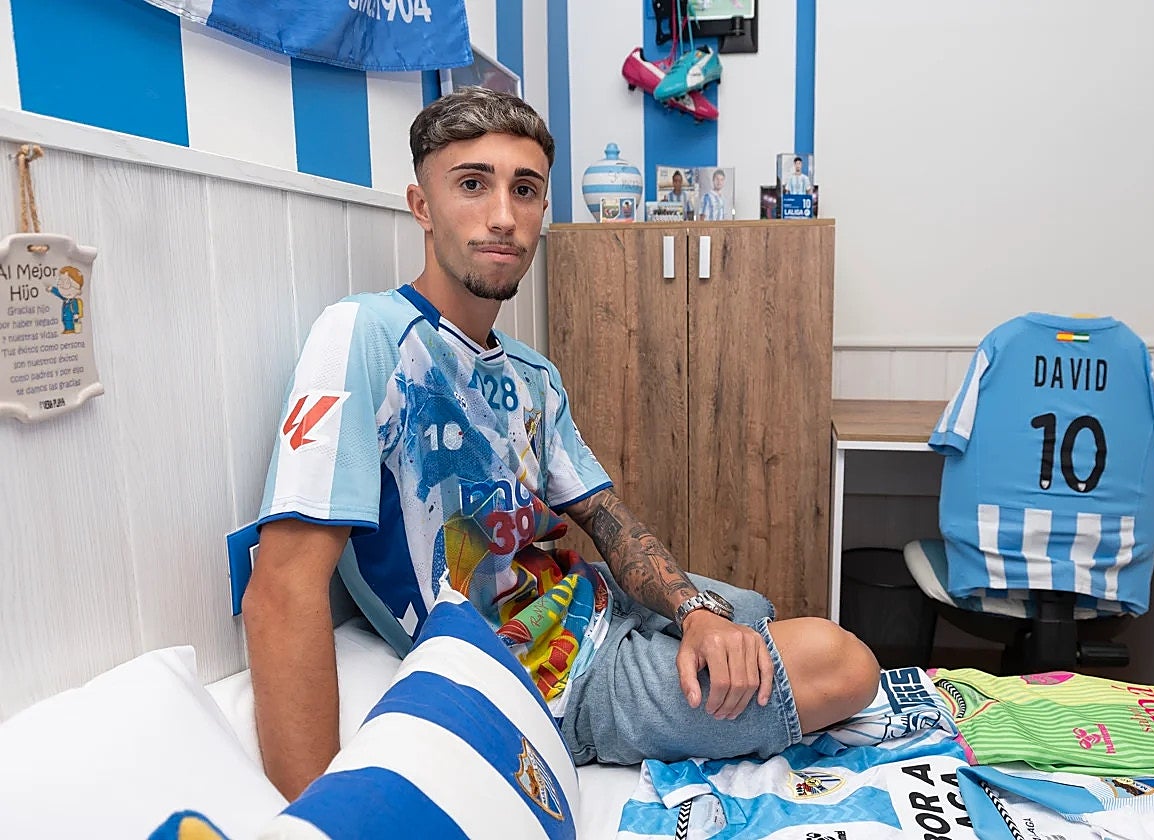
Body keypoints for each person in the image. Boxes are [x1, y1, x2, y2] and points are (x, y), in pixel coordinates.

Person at [243, 86, 879, 801]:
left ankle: (686, 634)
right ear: (423, 207)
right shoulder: (363, 337)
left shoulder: (531, 372)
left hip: (590, 599)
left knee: (745, 610)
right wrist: (322, 818)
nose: (502, 216)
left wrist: (692, 610)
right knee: (843, 663)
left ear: (544, 210)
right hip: (548, 675)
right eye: (472, 185)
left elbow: (607, 518)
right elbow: (285, 584)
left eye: (525, 190)